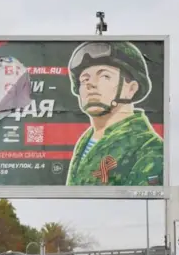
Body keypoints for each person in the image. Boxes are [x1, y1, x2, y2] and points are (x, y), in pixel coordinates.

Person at [65, 41, 164, 186]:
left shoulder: (149, 150)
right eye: (84, 79)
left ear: (131, 89)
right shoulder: (85, 141)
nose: (90, 84)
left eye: (105, 76)